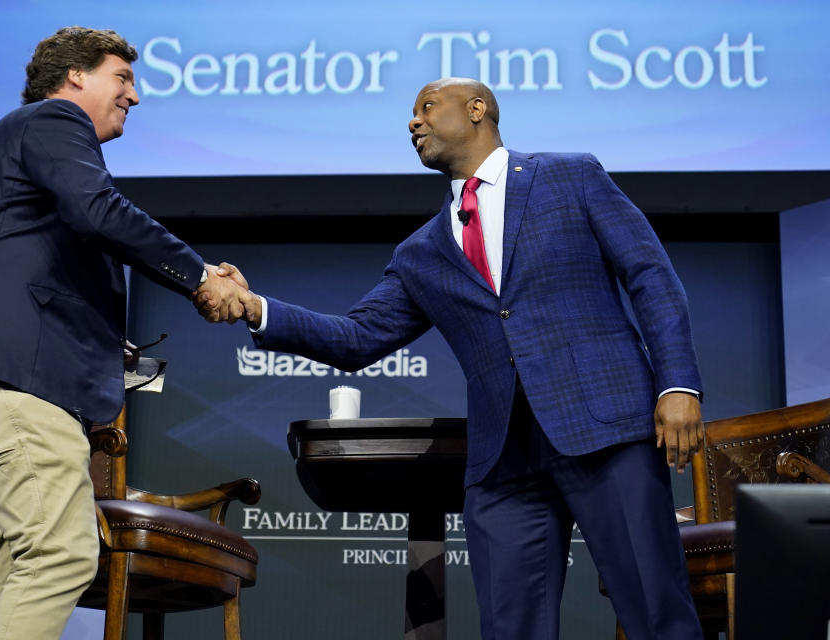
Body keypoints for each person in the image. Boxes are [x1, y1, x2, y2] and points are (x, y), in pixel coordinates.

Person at [202, 77, 706, 639]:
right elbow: (355, 337)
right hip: (503, 464)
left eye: (426, 107)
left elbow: (651, 277)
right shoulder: (422, 251)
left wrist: (676, 384)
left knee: (655, 611)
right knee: (509, 629)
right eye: (410, 114)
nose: (413, 122)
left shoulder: (570, 175)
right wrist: (255, 308)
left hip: (605, 428)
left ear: (476, 109)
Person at [0, 27, 247, 640]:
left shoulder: (29, 155)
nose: (135, 96)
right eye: (122, 78)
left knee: (23, 577)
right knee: (60, 559)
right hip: (13, 382)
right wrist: (202, 276)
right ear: (75, 78)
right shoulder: (52, 120)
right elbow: (100, 210)